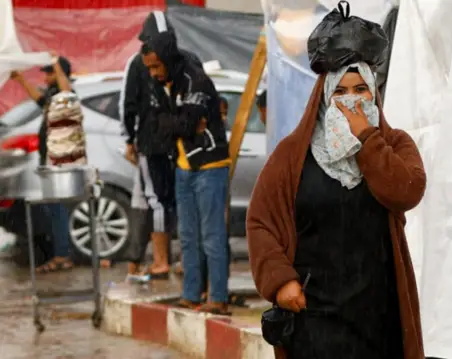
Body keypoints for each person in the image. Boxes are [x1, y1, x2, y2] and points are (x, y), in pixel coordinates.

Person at [246, 62, 426, 359]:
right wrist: (280, 281)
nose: (351, 100)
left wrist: (367, 137)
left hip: (379, 316)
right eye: (340, 92)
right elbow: (260, 223)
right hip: (315, 315)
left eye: (360, 90)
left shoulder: (394, 145)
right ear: (324, 97)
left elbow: (406, 191)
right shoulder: (293, 154)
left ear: (374, 94)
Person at [140, 29, 232, 314]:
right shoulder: (159, 84)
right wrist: (177, 122)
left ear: (168, 58)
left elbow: (186, 124)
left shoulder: (196, 80)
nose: (153, 72)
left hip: (210, 166)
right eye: (150, 67)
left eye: (157, 65)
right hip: (183, 167)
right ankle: (191, 294)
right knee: (188, 236)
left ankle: (217, 297)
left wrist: (177, 123)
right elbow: (156, 125)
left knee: (212, 236)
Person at [120, 11, 203, 279]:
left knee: (157, 201)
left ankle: (161, 261)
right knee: (181, 199)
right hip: (182, 143)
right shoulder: (189, 59)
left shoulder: (137, 63)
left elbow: (128, 106)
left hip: (153, 142)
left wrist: (130, 141)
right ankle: (185, 261)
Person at [10, 54, 75, 273]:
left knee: (57, 208)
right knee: (53, 207)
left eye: (49, 73)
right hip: (49, 159)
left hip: (58, 160)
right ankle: (59, 253)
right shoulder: (52, 96)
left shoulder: (66, 95)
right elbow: (39, 100)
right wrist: (20, 80)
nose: (46, 77)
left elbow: (66, 91)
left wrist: (57, 66)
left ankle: (62, 255)